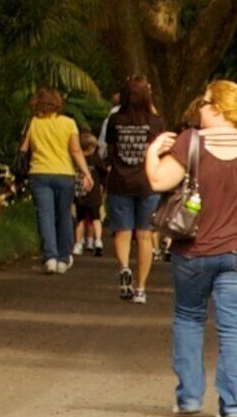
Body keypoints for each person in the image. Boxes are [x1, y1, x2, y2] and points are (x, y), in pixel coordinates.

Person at [143, 79, 237, 417]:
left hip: (195, 251)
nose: (198, 108)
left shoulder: (190, 143)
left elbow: (158, 181)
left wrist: (151, 153)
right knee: (234, 325)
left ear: (217, 108)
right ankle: (233, 404)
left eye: (203, 102)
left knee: (189, 318)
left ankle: (189, 397)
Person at [99, 78, 165, 303]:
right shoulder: (154, 121)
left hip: (120, 182)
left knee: (123, 231)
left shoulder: (115, 120)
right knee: (145, 236)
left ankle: (125, 267)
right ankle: (141, 288)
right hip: (147, 183)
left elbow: (110, 146)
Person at [20, 87, 88, 274]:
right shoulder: (68, 123)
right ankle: (64, 258)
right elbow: (75, 150)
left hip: (39, 173)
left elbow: (24, 148)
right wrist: (86, 172)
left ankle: (50, 256)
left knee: (45, 215)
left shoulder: (34, 123)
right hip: (65, 174)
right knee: (64, 214)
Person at [75, 119, 108, 262]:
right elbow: (103, 174)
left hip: (80, 193)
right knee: (96, 219)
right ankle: (98, 241)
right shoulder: (96, 159)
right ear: (91, 147)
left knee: (80, 219)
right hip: (94, 193)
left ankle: (78, 243)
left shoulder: (77, 159)